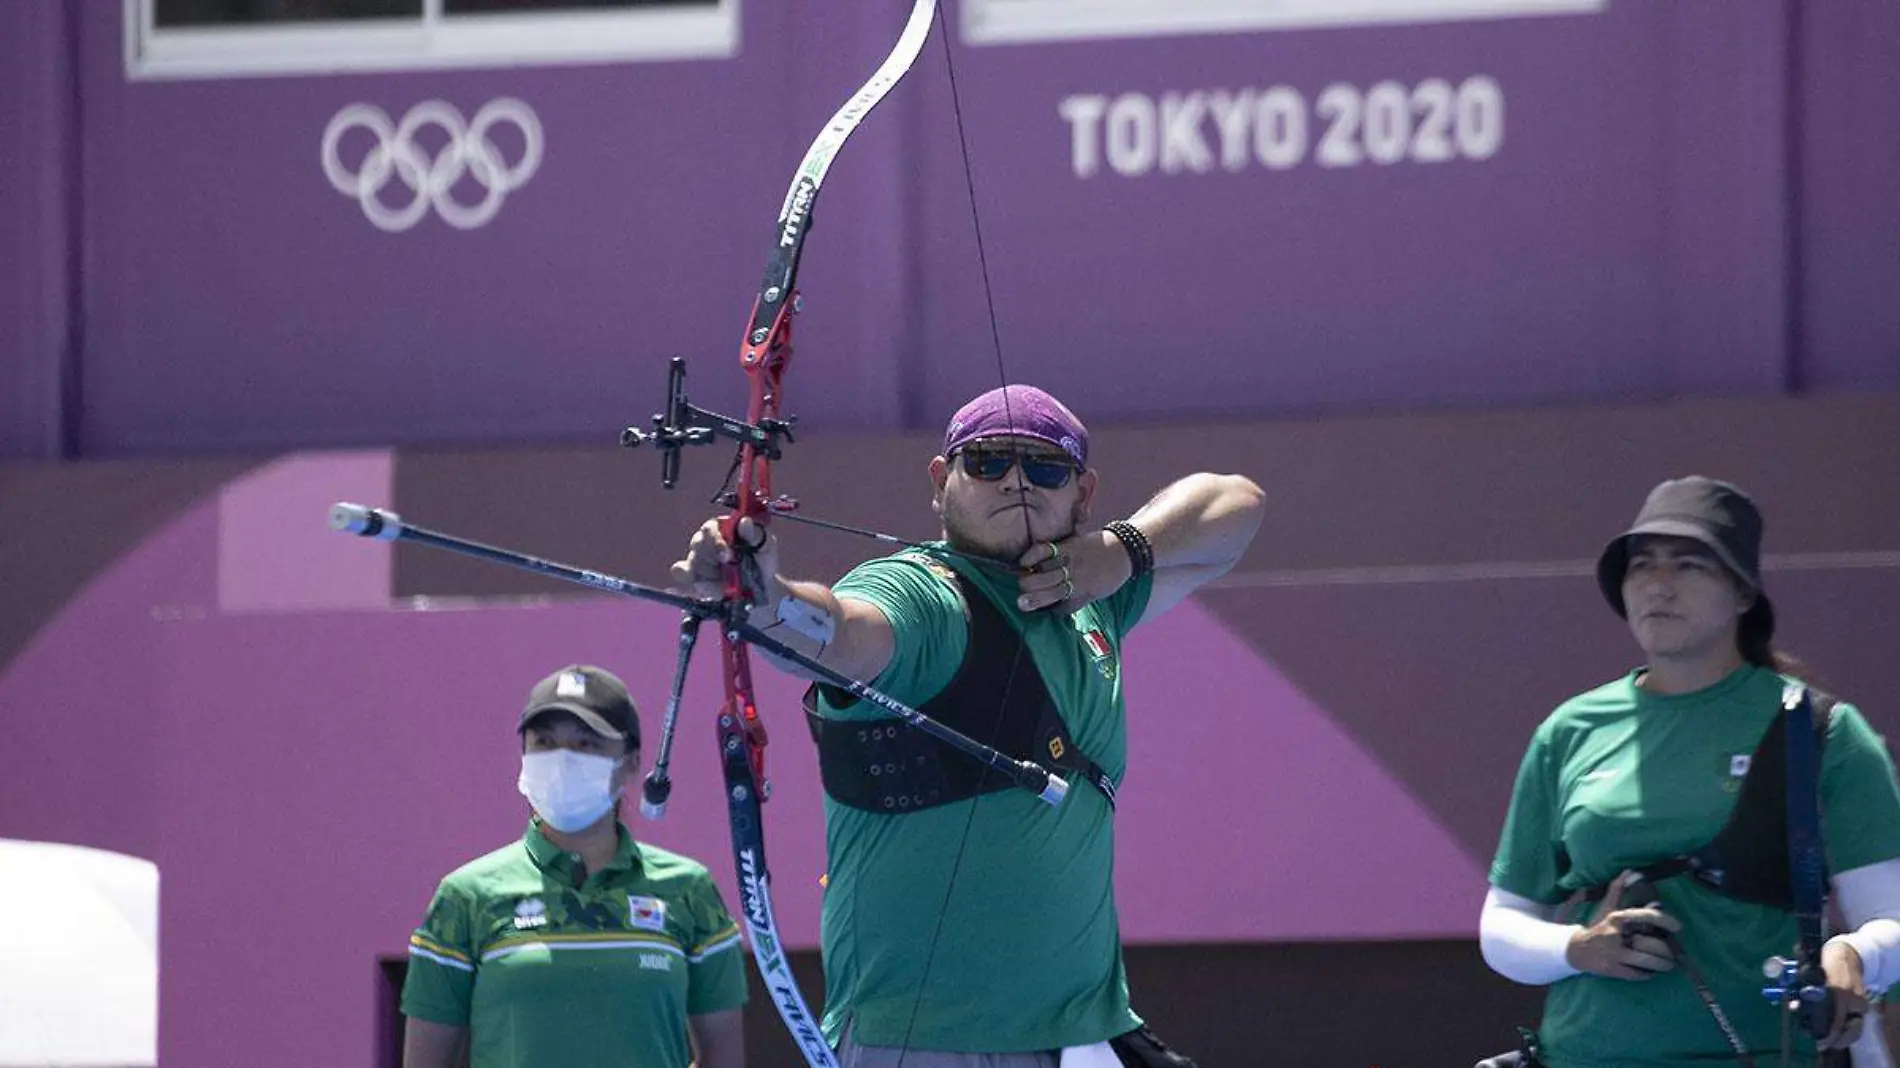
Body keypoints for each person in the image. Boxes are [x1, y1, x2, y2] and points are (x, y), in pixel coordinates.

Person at [671, 384, 1265, 1067]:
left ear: (1083, 491)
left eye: (1044, 468)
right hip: (928, 1042)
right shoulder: (924, 595)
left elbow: (1236, 504)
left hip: (1081, 1036)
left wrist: (1124, 549)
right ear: (940, 479)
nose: (1016, 480)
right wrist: (769, 601)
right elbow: (841, 632)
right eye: (987, 461)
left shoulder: (1093, 598)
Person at [1480, 476, 1900, 1067]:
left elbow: (1893, 919)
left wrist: (1856, 956)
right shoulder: (1570, 730)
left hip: (1763, 1053)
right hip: (1584, 1054)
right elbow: (1502, 926)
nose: (1658, 583)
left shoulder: (1822, 731)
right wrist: (1578, 947)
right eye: (1641, 565)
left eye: (1689, 564)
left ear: (1743, 593)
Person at [399, 665, 748, 1068]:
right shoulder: (464, 897)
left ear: (632, 762)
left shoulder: (689, 890)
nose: (562, 760)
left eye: (586, 744)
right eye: (545, 742)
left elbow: (725, 1060)